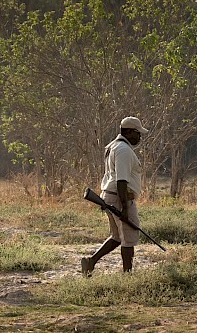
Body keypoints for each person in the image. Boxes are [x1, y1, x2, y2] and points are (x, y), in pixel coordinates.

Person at [81, 116, 149, 276]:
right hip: (120, 197)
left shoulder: (114, 146)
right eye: (137, 133)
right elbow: (121, 181)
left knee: (117, 236)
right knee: (129, 238)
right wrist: (125, 208)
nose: (139, 137)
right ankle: (127, 276)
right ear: (130, 132)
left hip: (111, 196)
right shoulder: (124, 150)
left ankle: (91, 262)